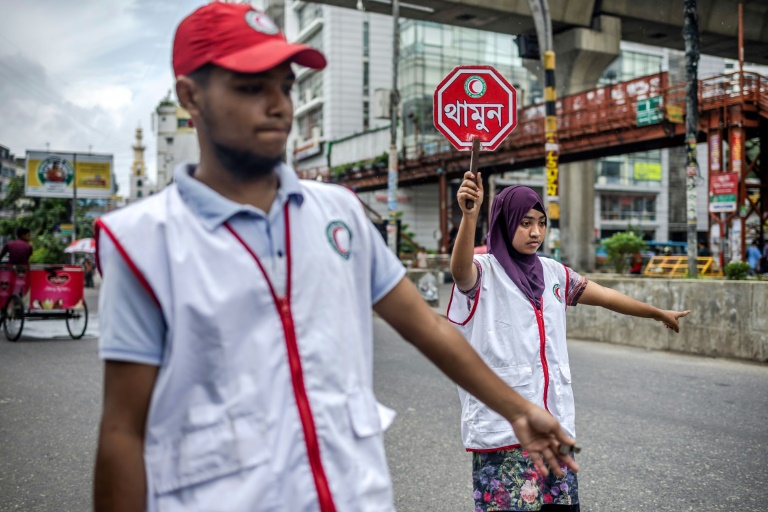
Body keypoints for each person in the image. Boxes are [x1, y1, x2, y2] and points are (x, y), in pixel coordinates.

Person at [92, 4, 578, 512]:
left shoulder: (338, 213)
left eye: (285, 86)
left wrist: (518, 410)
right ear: (191, 96)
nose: (279, 105)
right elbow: (124, 430)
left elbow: (428, 328)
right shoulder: (140, 242)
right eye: (251, 87)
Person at [448, 175, 690, 511]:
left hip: (552, 424)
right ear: (504, 223)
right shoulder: (483, 272)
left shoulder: (554, 273)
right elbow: (459, 271)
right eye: (525, 223)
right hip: (504, 427)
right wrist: (470, 216)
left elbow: (605, 296)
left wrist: (655, 312)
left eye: (541, 223)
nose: (535, 232)